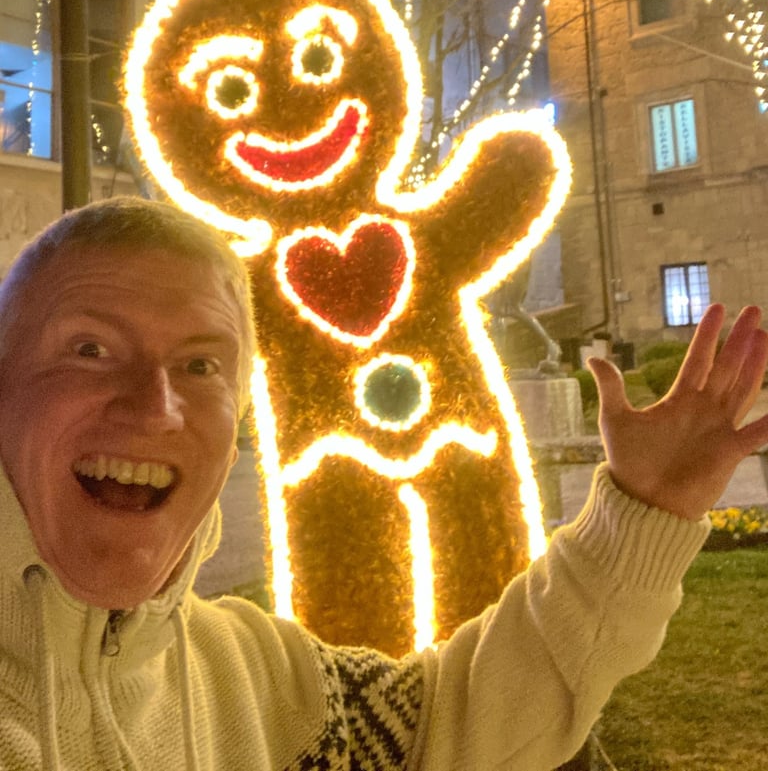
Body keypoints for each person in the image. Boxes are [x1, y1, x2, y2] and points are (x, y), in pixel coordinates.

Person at [0, 196, 766, 771]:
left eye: (201, 365)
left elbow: (458, 718)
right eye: (91, 347)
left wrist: (640, 512)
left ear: (235, 432)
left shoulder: (262, 679)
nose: (155, 407)